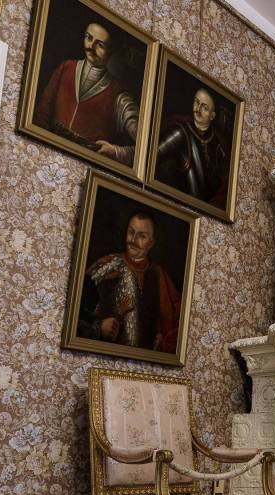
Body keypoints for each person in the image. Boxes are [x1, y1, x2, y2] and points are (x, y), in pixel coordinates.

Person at [33, 21, 139, 165]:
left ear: (111, 51)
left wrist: (116, 152)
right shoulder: (66, 67)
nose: (90, 47)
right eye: (88, 38)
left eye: (100, 45)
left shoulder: (119, 96)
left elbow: (146, 149)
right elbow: (43, 109)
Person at [78, 212, 182, 353]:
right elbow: (76, 308)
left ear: (151, 243)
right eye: (131, 232)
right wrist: (98, 327)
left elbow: (176, 324)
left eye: (142, 236)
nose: (133, 240)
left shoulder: (160, 275)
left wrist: (162, 339)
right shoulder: (105, 265)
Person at [154, 88, 231, 206]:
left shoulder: (219, 144)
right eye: (196, 102)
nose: (198, 109)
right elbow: (153, 158)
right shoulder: (179, 132)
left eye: (204, 108)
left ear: (212, 116)